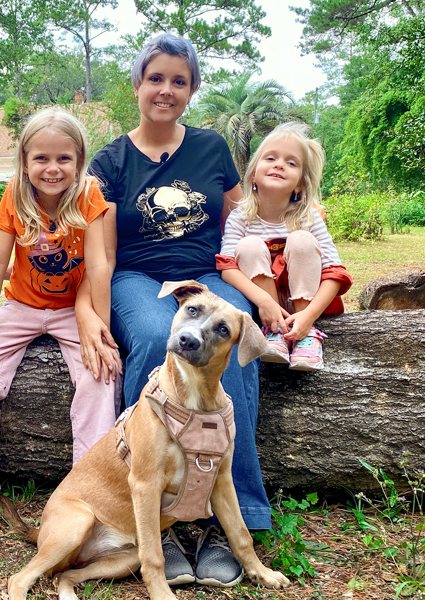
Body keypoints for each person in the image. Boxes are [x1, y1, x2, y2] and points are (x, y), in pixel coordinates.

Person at [76, 32, 266, 588]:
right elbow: (103, 254)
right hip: (139, 278)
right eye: (155, 78)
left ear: (191, 90)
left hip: (207, 276)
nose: (166, 90)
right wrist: (93, 312)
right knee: (160, 333)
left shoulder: (209, 148)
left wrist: (269, 289)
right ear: (137, 84)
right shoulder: (110, 160)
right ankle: (162, 526)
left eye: (178, 81)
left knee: (234, 347)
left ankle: (236, 520)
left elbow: (241, 223)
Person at [0, 108, 119, 538]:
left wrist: (101, 325)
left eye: (63, 159)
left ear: (79, 160)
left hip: (69, 311)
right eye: (41, 158)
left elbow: (98, 265)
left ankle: (89, 490)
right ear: (24, 161)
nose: (52, 168)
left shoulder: (89, 196)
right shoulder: (16, 196)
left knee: (100, 376)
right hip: (21, 305)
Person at [217, 122, 352, 371]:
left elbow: (335, 272)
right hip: (265, 308)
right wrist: (263, 302)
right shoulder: (240, 217)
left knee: (301, 239)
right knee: (249, 245)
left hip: (305, 305)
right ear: (253, 173)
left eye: (291, 163)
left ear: (300, 183)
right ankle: (275, 331)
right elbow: (227, 268)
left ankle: (306, 334)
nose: (279, 164)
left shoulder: (308, 218)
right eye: (270, 158)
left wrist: (309, 315)